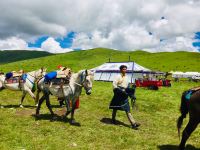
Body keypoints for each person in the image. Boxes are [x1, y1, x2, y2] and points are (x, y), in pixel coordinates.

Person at [109, 65, 140, 129]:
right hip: (118, 93)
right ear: (120, 70)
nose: (125, 70)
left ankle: (133, 123)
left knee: (127, 109)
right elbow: (114, 85)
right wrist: (118, 90)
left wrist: (131, 91)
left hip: (124, 94)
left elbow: (127, 86)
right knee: (115, 107)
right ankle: (113, 119)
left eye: (125, 69)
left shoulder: (127, 77)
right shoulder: (117, 76)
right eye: (123, 69)